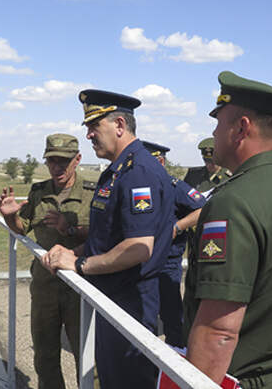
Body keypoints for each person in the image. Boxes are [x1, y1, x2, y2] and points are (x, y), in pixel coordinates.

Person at [182, 71, 272, 388]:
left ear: (241, 128)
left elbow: (219, 332)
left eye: (218, 122)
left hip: (243, 378)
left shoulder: (232, 202)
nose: (214, 132)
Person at [43, 90, 176, 388]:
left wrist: (79, 264)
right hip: (112, 294)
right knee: (111, 377)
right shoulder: (116, 171)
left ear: (119, 124)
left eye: (94, 127)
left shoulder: (138, 172)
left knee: (128, 380)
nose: (88, 135)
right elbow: (107, 236)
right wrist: (70, 251)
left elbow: (138, 248)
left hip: (131, 300)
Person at [0, 133, 94, 389]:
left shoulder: (93, 193)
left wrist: (71, 230)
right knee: (44, 354)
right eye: (52, 160)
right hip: (45, 286)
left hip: (81, 288)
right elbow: (22, 228)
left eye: (64, 161)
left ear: (77, 160)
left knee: (87, 356)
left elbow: (107, 234)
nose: (57, 167)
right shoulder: (38, 192)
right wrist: (10, 217)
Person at [142, 140, 206, 347]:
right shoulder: (140, 186)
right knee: (143, 313)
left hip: (166, 262)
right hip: (141, 260)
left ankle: (177, 355)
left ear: (160, 162)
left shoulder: (174, 186)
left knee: (171, 314)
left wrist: (177, 227)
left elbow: (203, 209)